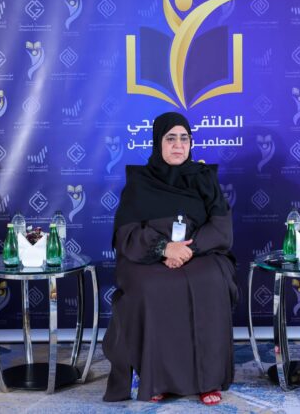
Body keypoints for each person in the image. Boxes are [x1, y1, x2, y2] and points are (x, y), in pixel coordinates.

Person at [102, 112, 237, 405]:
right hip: (149, 256)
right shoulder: (140, 182)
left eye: (184, 139)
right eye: (171, 138)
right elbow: (126, 233)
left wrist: (188, 250)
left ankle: (208, 380)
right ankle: (157, 379)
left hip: (199, 251)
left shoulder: (205, 179)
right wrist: (164, 248)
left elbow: (221, 228)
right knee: (151, 287)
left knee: (211, 281)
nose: (178, 145)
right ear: (158, 143)